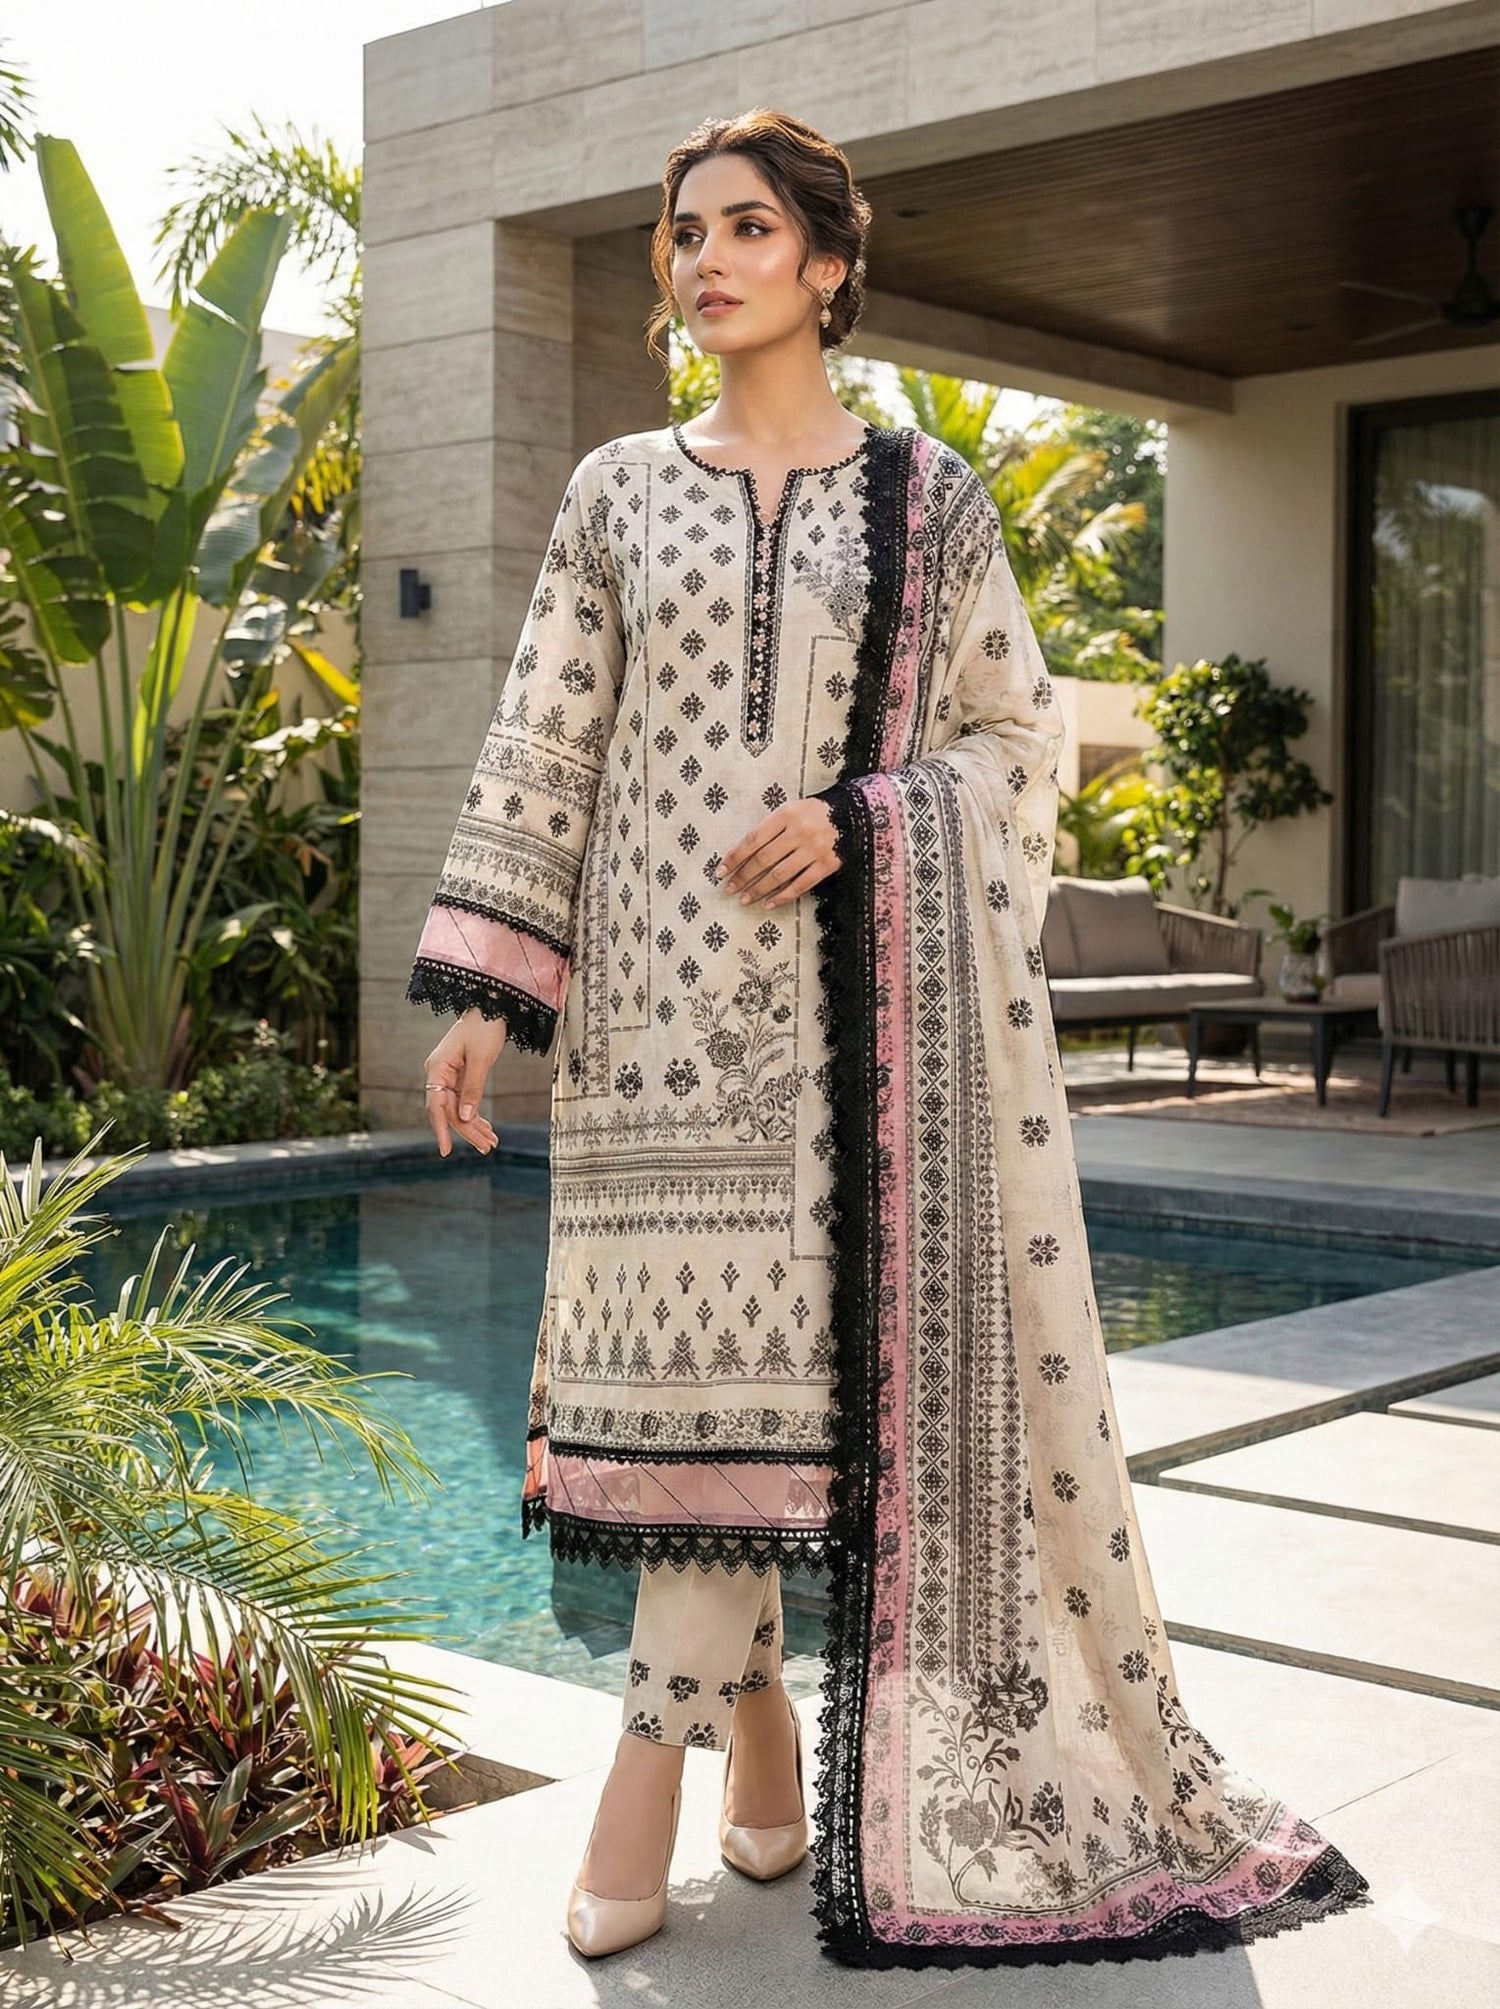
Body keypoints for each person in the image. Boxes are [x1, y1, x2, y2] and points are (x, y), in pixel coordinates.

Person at [409, 107, 1372, 1970]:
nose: (705, 260)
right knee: (684, 1409)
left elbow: (1019, 751)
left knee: (774, 1400)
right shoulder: (615, 489)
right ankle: (764, 1741)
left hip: (848, 1053)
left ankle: (648, 1774)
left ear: (831, 264)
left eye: (747, 228)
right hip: (645, 1038)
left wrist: (863, 819)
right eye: (684, 231)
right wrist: (480, 996)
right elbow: (546, 739)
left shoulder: (930, 501)